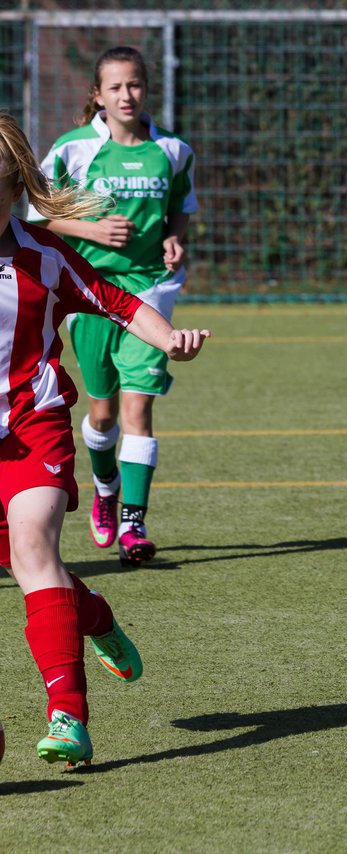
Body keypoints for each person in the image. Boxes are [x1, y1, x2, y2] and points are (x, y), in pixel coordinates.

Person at [0, 113, 209, 765]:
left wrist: (168, 337)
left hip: (32, 427)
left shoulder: (43, 255)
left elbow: (117, 302)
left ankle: (69, 717)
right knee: (39, 573)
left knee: (34, 545)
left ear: (12, 190)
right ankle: (92, 615)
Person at [30, 46, 198, 566]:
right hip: (90, 293)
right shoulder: (71, 150)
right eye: (117, 87)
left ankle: (134, 521)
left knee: (137, 408)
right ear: (97, 96)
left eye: (136, 85)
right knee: (100, 414)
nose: (128, 95)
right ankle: (105, 489)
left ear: (147, 88)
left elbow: (179, 212)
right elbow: (37, 215)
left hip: (148, 291)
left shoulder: (172, 151)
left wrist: (174, 238)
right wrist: (90, 228)